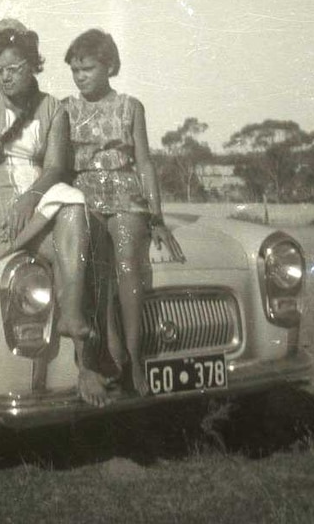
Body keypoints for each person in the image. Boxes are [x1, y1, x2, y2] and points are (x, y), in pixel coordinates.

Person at [0, 19, 111, 407]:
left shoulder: (52, 108)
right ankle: (84, 353)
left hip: (34, 201)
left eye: (13, 69)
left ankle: (80, 351)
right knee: (73, 254)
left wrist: (30, 197)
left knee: (74, 220)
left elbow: (53, 168)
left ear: (32, 65)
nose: (4, 78)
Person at [62, 28, 185, 396]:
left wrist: (157, 216)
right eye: (75, 69)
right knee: (91, 268)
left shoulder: (131, 107)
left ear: (110, 66)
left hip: (126, 193)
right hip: (83, 194)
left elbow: (145, 162)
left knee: (129, 260)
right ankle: (98, 357)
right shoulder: (66, 109)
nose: (81, 76)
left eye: (88, 68)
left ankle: (135, 356)